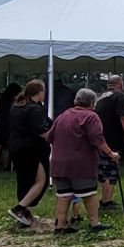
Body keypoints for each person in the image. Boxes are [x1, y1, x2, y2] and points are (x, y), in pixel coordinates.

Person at [47, 88, 119, 234]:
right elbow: (97, 138)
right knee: (89, 193)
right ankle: (94, 223)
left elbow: (50, 136)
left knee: (64, 195)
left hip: (58, 163)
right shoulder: (91, 116)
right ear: (92, 102)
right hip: (80, 164)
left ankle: (60, 225)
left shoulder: (63, 115)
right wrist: (111, 154)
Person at [5, 79, 52, 227]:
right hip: (31, 150)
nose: (45, 94)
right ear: (39, 92)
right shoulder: (35, 110)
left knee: (24, 180)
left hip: (16, 147)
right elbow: (43, 132)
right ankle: (19, 208)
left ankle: (24, 211)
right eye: (43, 91)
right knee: (41, 181)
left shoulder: (17, 106)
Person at [95, 76, 124, 210]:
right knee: (110, 171)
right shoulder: (120, 97)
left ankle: (106, 199)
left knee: (104, 170)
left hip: (101, 138)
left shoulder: (101, 98)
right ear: (120, 84)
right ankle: (107, 202)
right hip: (114, 139)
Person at [0, 80, 18, 172]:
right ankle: (6, 166)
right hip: (8, 124)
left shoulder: (0, 98)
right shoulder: (12, 102)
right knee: (6, 147)